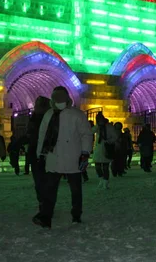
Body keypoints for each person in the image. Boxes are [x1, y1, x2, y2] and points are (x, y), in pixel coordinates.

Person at [33, 86, 93, 228]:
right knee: (50, 190)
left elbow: (86, 134)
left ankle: (76, 214)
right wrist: (40, 154)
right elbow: (42, 135)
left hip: (73, 156)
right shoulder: (49, 115)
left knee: (75, 189)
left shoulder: (76, 115)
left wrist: (85, 153)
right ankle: (46, 217)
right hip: (54, 156)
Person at [24, 96, 50, 213]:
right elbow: (29, 135)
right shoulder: (33, 119)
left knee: (45, 180)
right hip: (35, 153)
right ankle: (43, 202)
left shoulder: (51, 118)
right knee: (39, 181)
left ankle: (46, 203)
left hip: (48, 153)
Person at [91, 112, 117, 189]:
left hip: (106, 148)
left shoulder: (109, 127)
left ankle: (105, 182)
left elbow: (115, 136)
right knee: (98, 167)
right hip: (99, 149)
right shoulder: (98, 127)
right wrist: (97, 126)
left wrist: (109, 141)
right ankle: (101, 179)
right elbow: (91, 131)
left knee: (105, 167)